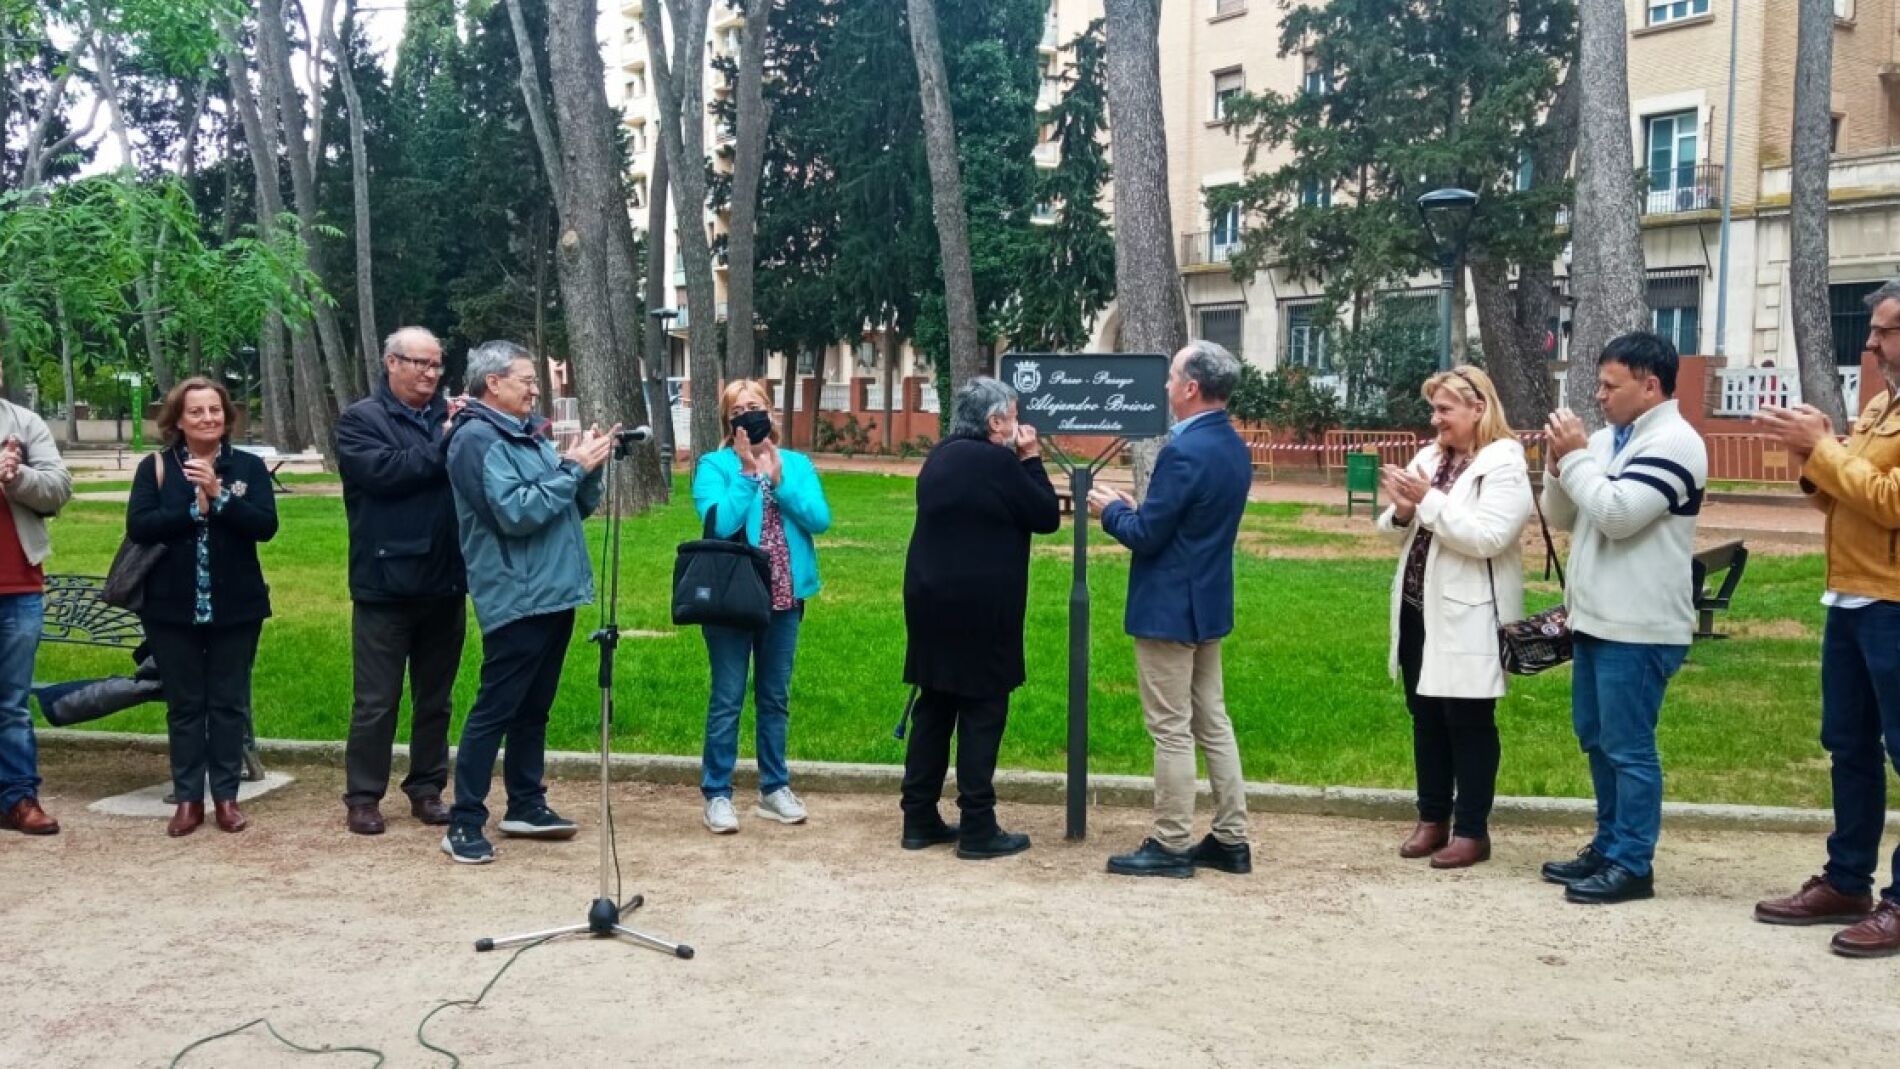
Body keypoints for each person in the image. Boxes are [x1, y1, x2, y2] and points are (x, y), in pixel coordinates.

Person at [1752, 279, 1900, 958]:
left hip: (1893, 600)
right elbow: (1844, 501)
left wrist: (1827, 448)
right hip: (1850, 593)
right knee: (1848, 743)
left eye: (1884, 331)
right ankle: (1847, 880)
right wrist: (1808, 456)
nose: (1870, 344)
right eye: (1873, 332)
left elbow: (1891, 502)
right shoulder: (1880, 406)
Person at [1538, 332, 1707, 904]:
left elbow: (1617, 514)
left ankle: (1633, 862)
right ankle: (1609, 844)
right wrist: (1557, 466)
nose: (1599, 395)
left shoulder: (1676, 443)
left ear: (1650, 386)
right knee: (1597, 738)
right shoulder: (1609, 440)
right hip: (1596, 618)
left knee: (1629, 747)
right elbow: (1564, 515)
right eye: (1599, 384)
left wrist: (1577, 458)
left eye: (1611, 386)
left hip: (1639, 625)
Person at [440, 341, 616, 864]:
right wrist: (570, 468)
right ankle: (464, 821)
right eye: (526, 379)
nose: (536, 389)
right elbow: (515, 513)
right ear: (492, 383)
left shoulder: (525, 435)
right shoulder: (475, 440)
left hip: (554, 592)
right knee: (495, 709)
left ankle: (525, 803)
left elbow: (568, 507)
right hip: (517, 595)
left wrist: (588, 466)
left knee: (533, 708)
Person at [1086, 340, 1254, 879]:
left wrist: (1111, 512)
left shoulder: (1183, 451)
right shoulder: (1233, 446)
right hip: (1207, 602)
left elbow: (1149, 536)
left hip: (1169, 608)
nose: (1166, 385)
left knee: (1171, 729)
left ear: (1191, 388)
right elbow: (1184, 522)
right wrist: (1139, 511)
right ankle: (1231, 837)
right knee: (1213, 722)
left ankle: (1172, 842)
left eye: (1173, 376)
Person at [899, 377, 1061, 859]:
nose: (1018, 424)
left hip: (929, 598)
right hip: (982, 604)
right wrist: (1031, 458)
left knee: (934, 704)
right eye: (1013, 416)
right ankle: (977, 826)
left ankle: (918, 817)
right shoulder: (998, 463)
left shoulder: (939, 457)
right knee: (982, 707)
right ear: (995, 422)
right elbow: (1046, 515)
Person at [1377, 367, 1532, 869]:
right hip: (1418, 608)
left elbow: (1488, 537)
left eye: (1444, 409)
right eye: (1434, 409)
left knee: (1467, 719)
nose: (1435, 420)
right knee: (1424, 715)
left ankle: (1471, 830)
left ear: (1477, 408)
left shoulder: (1504, 464)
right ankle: (1432, 817)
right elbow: (1394, 528)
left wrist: (1428, 501)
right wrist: (1403, 510)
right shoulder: (1430, 457)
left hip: (1471, 613)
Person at [127, 377, 278, 837]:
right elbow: (140, 526)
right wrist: (193, 511)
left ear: (226, 417)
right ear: (177, 420)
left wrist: (218, 495)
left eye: (215, 410)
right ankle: (189, 798)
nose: (207, 418)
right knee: (186, 705)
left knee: (229, 704)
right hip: (171, 609)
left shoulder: (247, 467)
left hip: (237, 607)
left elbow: (265, 526)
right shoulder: (156, 467)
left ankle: (227, 798)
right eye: (196, 411)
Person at [335, 327, 468, 836]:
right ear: (392, 362)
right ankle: (363, 796)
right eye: (420, 363)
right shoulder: (361, 420)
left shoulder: (448, 416)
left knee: (435, 698)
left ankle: (427, 788)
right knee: (377, 700)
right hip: (384, 584)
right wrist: (447, 441)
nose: (431, 374)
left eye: (437, 364)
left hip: (445, 579)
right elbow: (387, 473)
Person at [691, 378, 831, 835]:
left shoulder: (796, 463)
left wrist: (778, 480)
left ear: (770, 412)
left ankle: (775, 787)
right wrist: (749, 474)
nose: (748, 415)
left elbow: (820, 520)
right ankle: (717, 793)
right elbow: (719, 524)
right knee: (727, 697)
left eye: (755, 406)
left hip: (784, 597)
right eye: (738, 411)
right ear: (727, 422)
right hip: (732, 599)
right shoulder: (714, 466)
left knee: (774, 697)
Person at [0, 367, 73, 837]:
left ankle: (18, 799)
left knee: (11, 704)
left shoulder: (23, 423)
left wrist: (17, 476)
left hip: (17, 587)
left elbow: (59, 489)